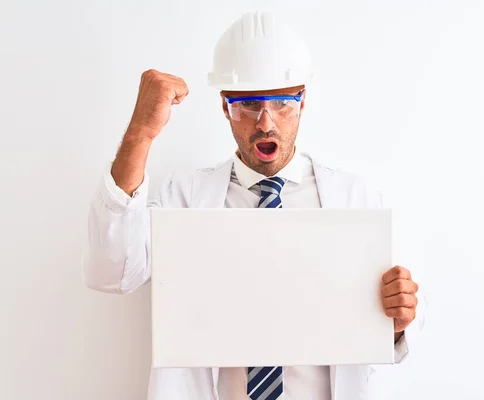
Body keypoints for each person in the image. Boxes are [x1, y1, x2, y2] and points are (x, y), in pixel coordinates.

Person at [82, 10, 424, 400]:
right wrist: (141, 133)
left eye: (282, 103)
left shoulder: (357, 199)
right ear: (225, 105)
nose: (265, 123)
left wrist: (399, 320)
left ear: (303, 101)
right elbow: (111, 272)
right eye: (248, 104)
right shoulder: (184, 197)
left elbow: (400, 319)